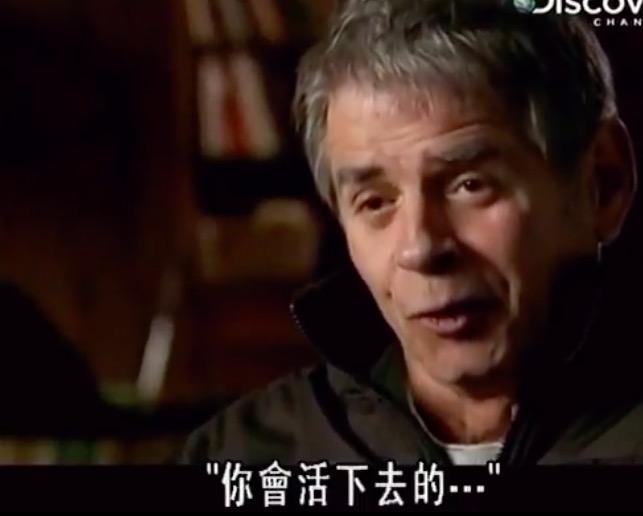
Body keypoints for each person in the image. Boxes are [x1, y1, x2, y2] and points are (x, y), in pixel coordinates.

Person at [181, 0, 642, 466]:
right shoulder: (242, 457)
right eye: (375, 202)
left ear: (603, 184)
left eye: (470, 185)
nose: (420, 247)